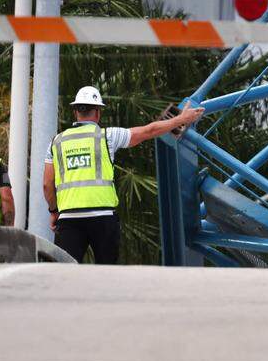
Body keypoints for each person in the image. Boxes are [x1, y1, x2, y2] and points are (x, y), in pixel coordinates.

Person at [44, 86, 204, 264]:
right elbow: (148, 131)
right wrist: (181, 119)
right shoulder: (107, 136)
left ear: (75, 112)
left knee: (65, 274)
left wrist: (53, 211)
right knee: (107, 273)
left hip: (69, 219)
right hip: (103, 218)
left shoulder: (56, 142)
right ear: (97, 112)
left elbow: (47, 184)